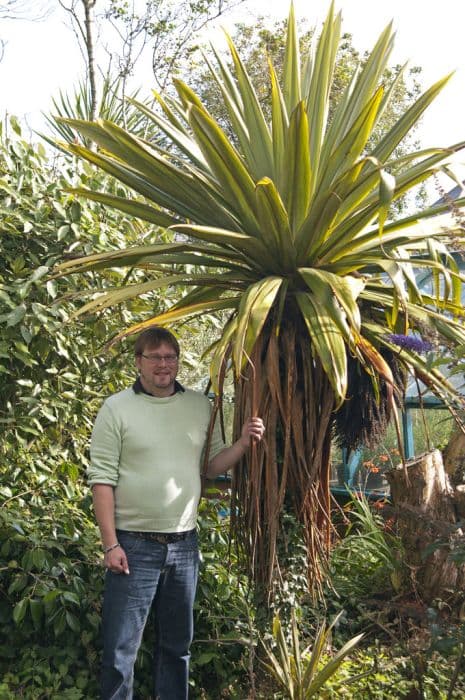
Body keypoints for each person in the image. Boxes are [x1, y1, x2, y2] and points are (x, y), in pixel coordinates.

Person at [88, 325, 265, 700]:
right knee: (121, 651)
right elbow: (101, 480)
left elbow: (212, 466)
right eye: (155, 357)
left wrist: (245, 442)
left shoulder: (200, 405)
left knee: (177, 647)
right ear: (139, 362)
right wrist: (110, 545)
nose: (163, 365)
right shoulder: (116, 408)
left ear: (178, 361)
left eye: (170, 357)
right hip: (133, 546)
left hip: (184, 545)